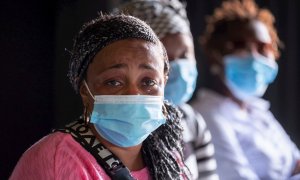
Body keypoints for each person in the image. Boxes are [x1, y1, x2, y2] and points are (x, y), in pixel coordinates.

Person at [10, 14, 191, 179]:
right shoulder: (56, 160)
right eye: (114, 82)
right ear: (85, 91)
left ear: (164, 83)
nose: (134, 93)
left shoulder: (168, 157)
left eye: (148, 82)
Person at [190, 0, 300, 179]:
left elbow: (296, 162)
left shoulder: (258, 110)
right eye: (240, 45)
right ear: (215, 57)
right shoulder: (206, 116)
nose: (253, 57)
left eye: (262, 47)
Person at [119, 0, 218, 179]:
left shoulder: (191, 121)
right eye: (166, 60)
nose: (178, 66)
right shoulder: (123, 128)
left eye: (185, 55)